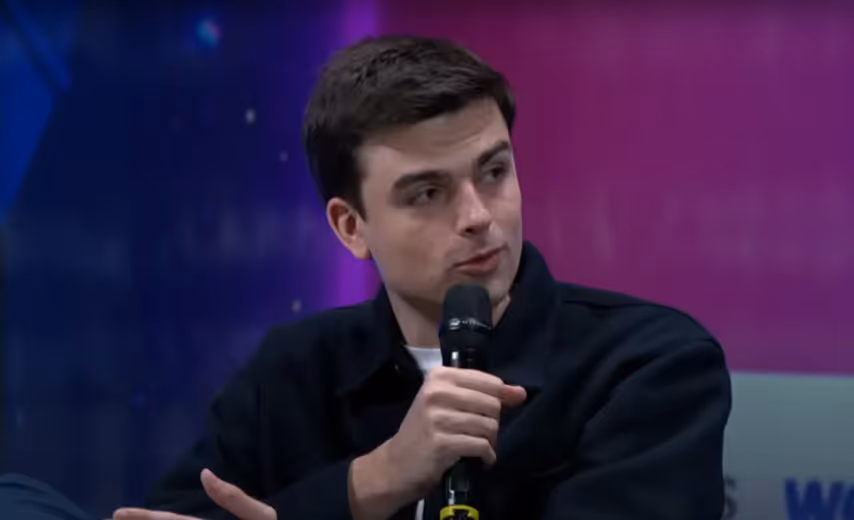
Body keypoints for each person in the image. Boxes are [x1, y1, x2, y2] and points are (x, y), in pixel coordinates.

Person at [1, 35, 731, 520]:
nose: (479, 216)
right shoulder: (291, 371)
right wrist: (369, 482)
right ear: (351, 227)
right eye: (427, 192)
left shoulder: (650, 364)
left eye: (494, 171)